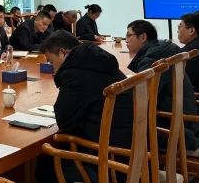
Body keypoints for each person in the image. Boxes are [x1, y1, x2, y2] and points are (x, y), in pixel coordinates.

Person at [36, 30, 133, 183]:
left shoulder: (74, 73)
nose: (53, 69)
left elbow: (65, 122)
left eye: (52, 62)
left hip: (111, 164)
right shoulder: (98, 61)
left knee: (45, 165)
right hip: (133, 154)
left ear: (63, 53)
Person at [125, 20, 199, 151]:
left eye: (128, 35)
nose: (126, 40)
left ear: (143, 37)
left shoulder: (153, 59)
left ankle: (140, 163)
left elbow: (142, 97)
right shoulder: (165, 49)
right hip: (188, 122)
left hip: (175, 130)